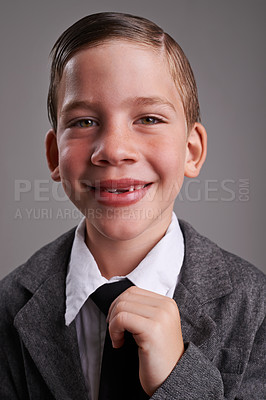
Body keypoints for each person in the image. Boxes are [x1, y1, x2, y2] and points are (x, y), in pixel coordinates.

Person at [0, 12, 265, 400]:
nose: (114, 150)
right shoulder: (7, 308)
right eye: (85, 121)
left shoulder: (256, 309)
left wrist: (177, 380)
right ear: (55, 155)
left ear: (191, 152)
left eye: (148, 118)